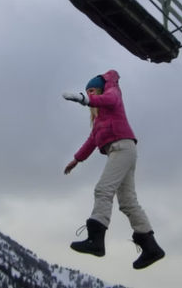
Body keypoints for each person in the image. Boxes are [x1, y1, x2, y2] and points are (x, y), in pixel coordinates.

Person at [62, 69, 165, 270]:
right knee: (128, 202)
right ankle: (150, 247)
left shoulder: (113, 94)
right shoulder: (99, 119)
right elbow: (92, 141)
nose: (90, 94)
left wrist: (83, 99)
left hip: (122, 148)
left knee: (103, 190)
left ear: (100, 90)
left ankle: (96, 239)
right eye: (87, 92)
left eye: (92, 91)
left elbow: (109, 99)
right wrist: (76, 160)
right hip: (122, 150)